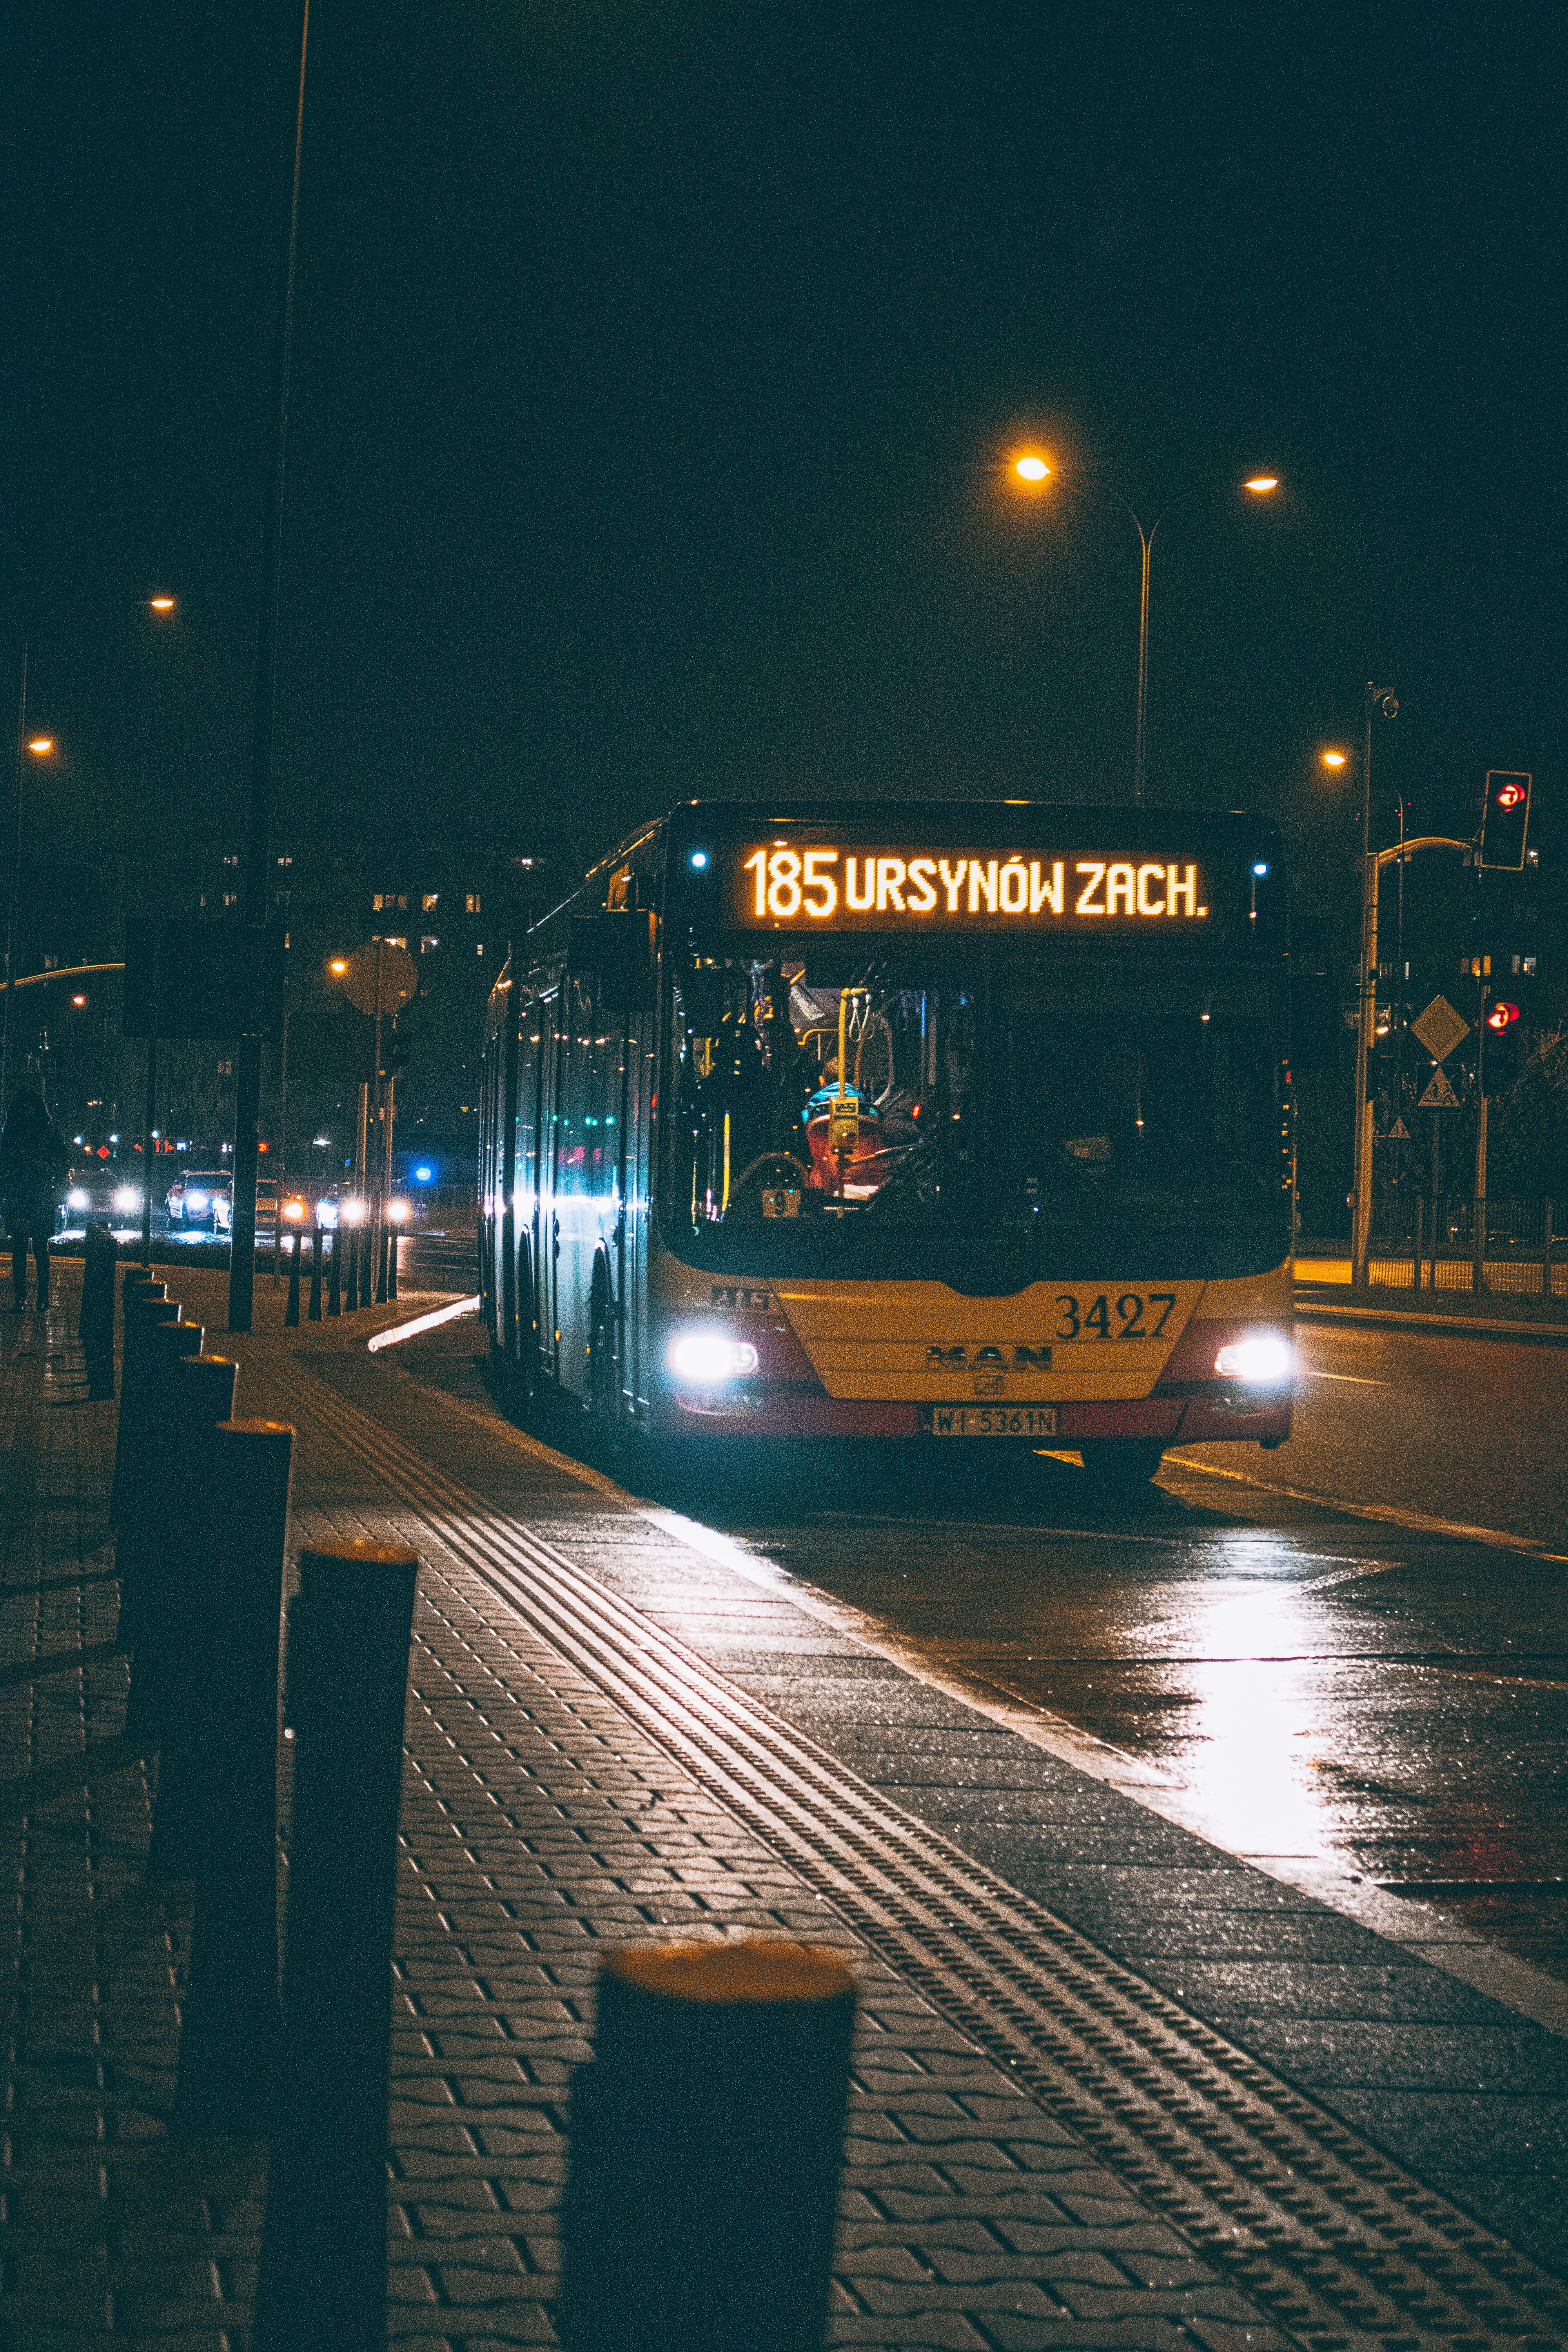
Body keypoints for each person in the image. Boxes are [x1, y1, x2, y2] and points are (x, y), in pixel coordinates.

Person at [0, 1091, 72, 1312]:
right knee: (32, 1247)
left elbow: (63, 1161)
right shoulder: (40, 1133)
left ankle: (30, 1297)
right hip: (32, 1195)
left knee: (28, 1247)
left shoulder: (14, 1133)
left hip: (28, 1195)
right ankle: (35, 1297)